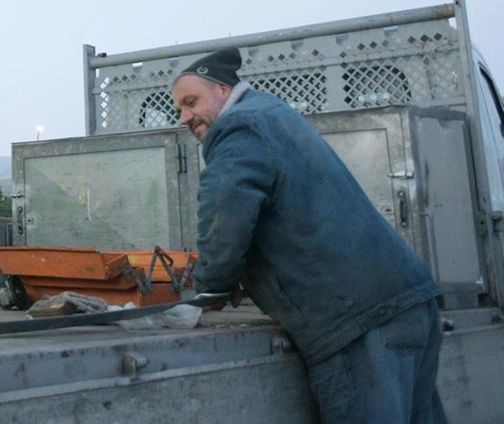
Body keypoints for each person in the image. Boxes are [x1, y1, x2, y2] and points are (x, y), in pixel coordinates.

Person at [172, 47, 447, 424]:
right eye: (179, 110)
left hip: (358, 324)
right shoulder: (274, 114)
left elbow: (225, 209)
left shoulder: (239, 127)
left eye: (191, 102)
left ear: (222, 90)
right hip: (407, 303)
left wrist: (212, 286)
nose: (184, 117)